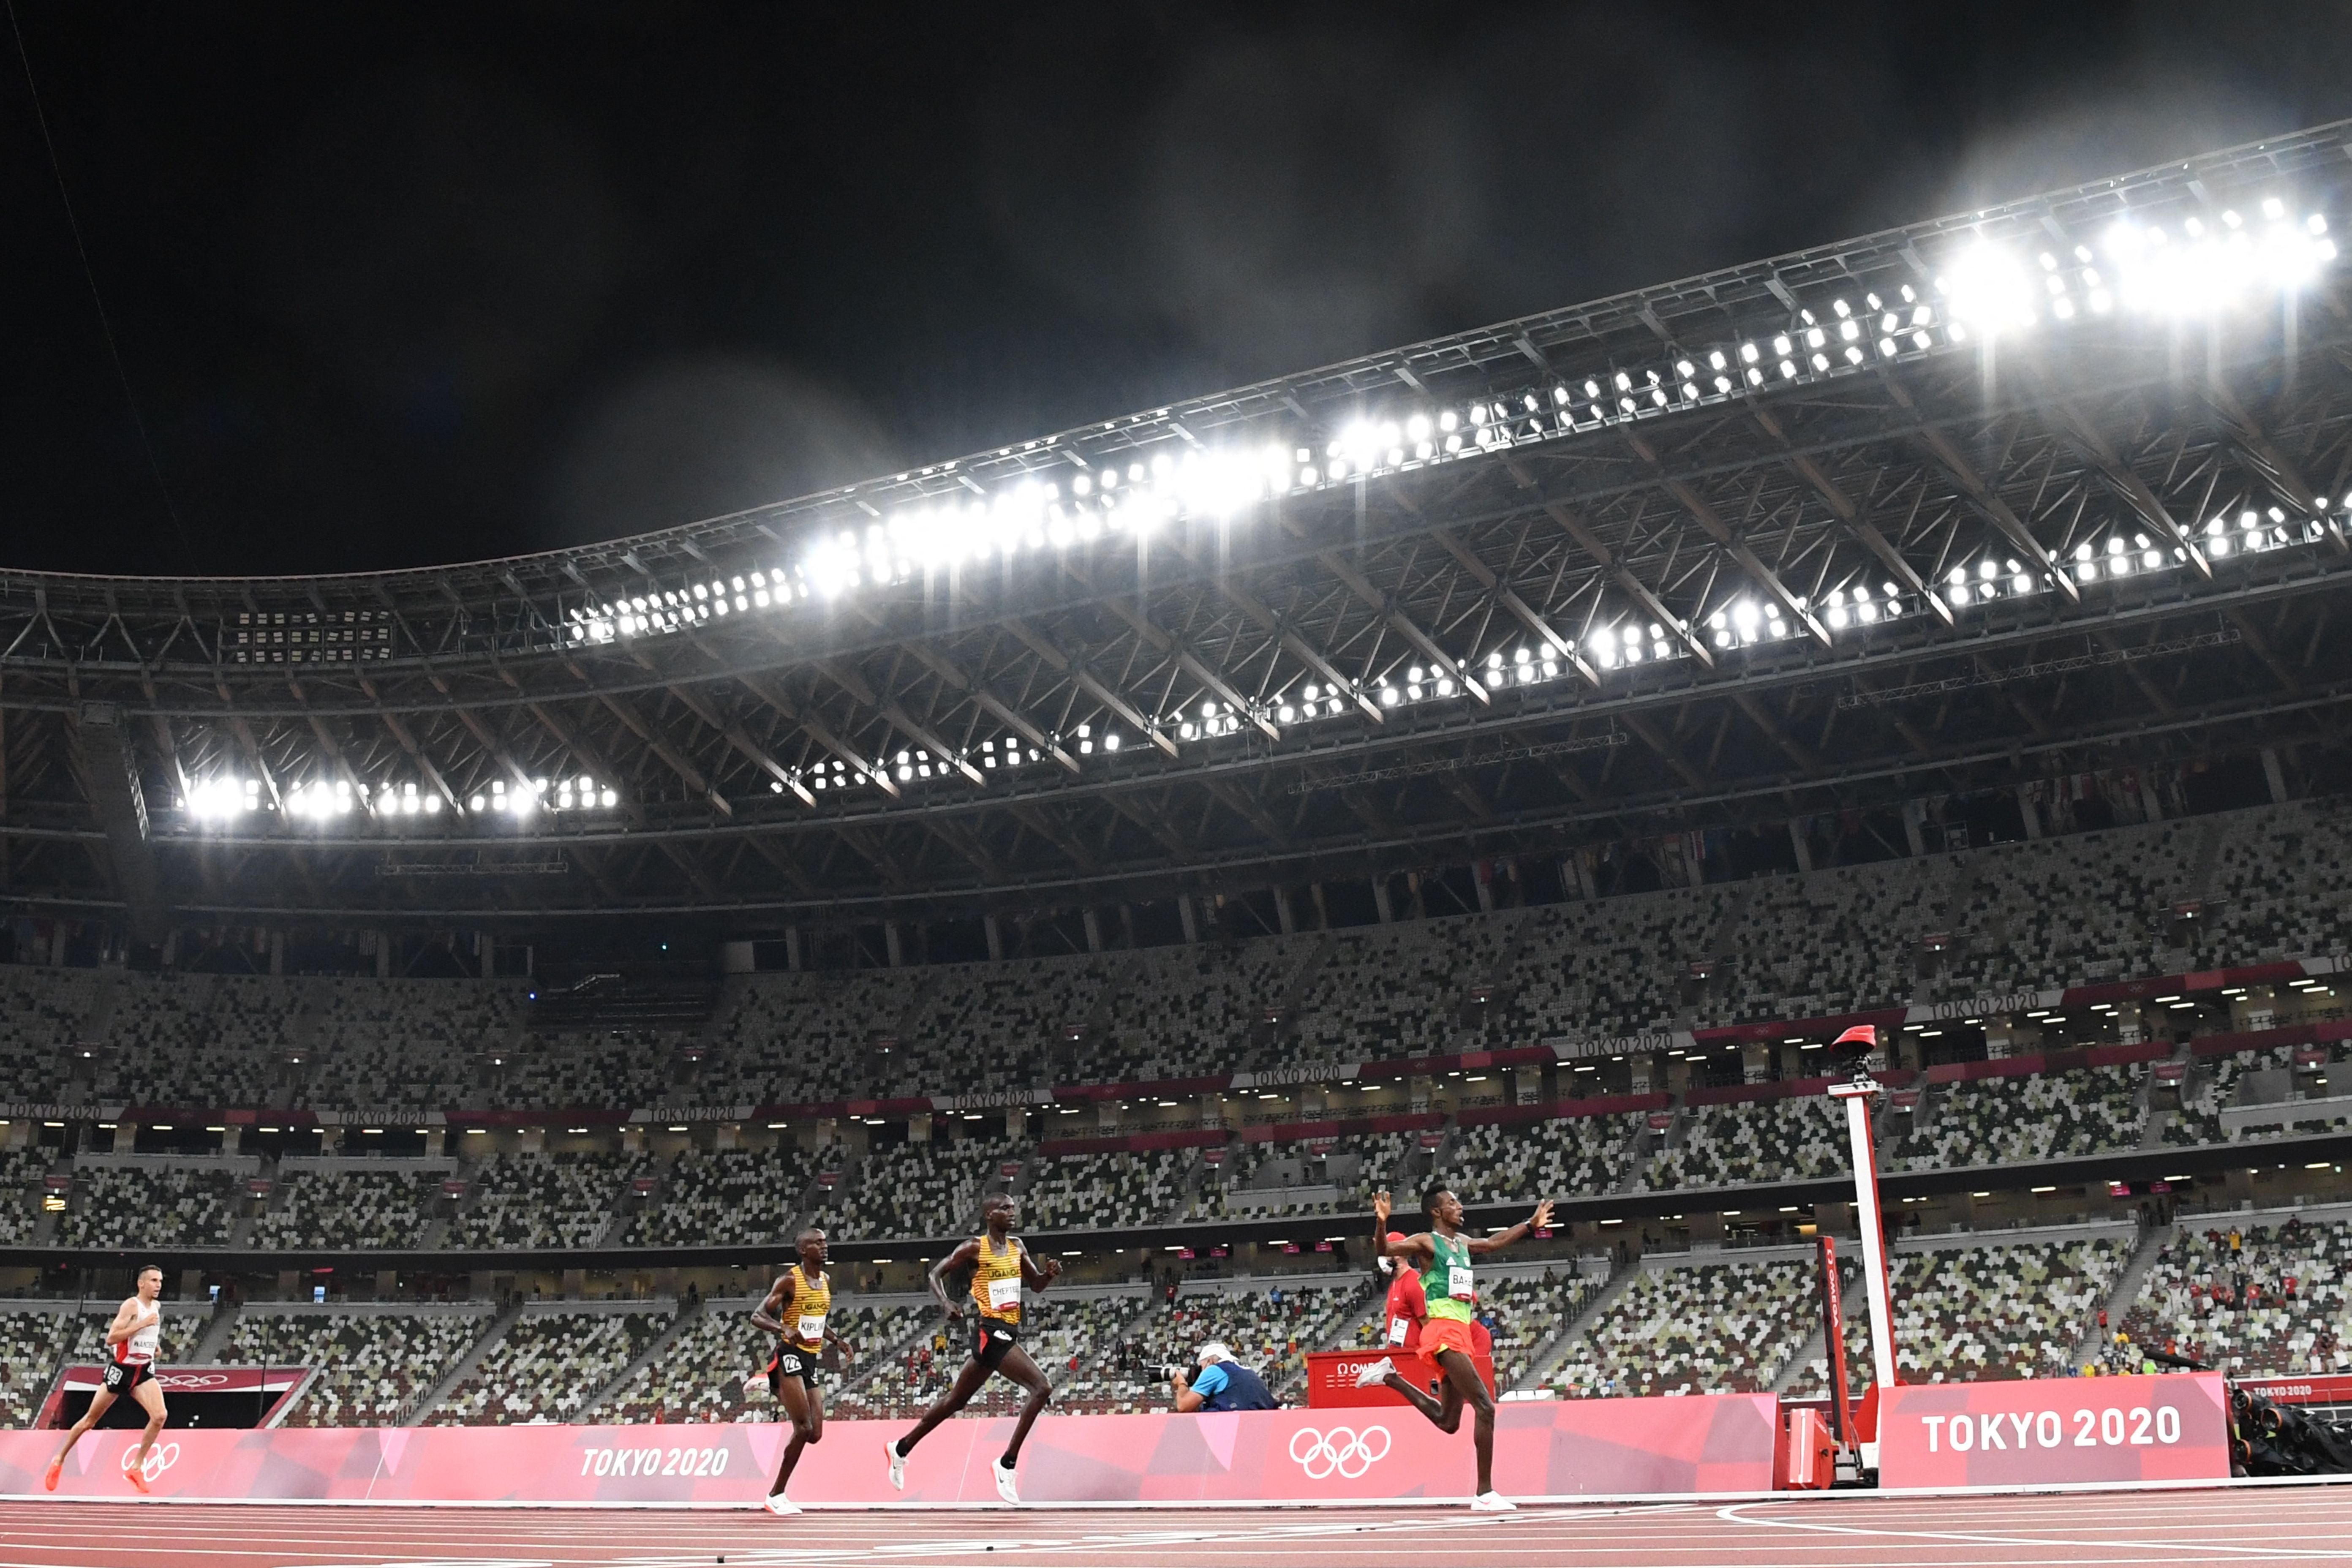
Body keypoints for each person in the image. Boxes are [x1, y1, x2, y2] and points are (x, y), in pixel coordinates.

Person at [1354, 1187, 1553, 1512]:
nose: (1460, 1207)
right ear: (1436, 1211)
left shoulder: (1461, 1244)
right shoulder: (1426, 1242)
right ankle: (1485, 1493)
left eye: (1459, 1202)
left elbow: (1493, 1243)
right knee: (1486, 1408)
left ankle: (1391, 1377)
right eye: (1452, 1203)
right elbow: (1386, 1248)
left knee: (1448, 1422)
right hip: (1443, 1331)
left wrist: (1530, 1225)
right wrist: (1381, 1222)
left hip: (1461, 1332)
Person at [884, 1192, 1061, 1505]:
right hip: (992, 1333)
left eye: (1013, 1208)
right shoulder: (973, 1248)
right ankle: (1006, 1464)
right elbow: (935, 1274)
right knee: (1042, 1388)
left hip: (1008, 1331)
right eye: (1005, 1208)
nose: (1012, 1212)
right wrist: (946, 1303)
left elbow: (1034, 1284)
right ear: (990, 1215)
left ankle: (901, 1448)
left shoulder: (1017, 1247)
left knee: (955, 1401)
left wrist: (1047, 1275)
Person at [746, 1227, 857, 1516]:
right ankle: (776, 1495)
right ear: (803, 1250)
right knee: (803, 1428)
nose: (825, 1246)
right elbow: (757, 1316)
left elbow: (817, 1320)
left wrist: (837, 1340)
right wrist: (782, 1327)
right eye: (818, 1243)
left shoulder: (826, 1280)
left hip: (810, 1359)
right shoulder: (789, 1281)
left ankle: (767, 1384)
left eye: (825, 1242)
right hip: (789, 1356)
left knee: (816, 1434)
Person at [46, 1264, 169, 1493]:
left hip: (142, 1371)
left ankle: (136, 1467)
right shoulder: (132, 1305)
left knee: (160, 1415)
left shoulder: (157, 1306)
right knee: (90, 1421)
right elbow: (112, 1338)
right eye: (154, 1281)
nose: (159, 1285)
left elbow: (146, 1334)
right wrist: (142, 1324)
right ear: (141, 1283)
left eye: (160, 1281)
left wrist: (154, 1346)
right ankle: (59, 1460)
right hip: (121, 1371)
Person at [1169, 1341, 1277, 1412]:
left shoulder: (1214, 1370)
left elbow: (1183, 1406)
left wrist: (1181, 1383)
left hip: (1232, 1424)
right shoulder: (1250, 1372)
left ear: (1210, 1362)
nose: (1202, 1372)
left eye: (1202, 1367)